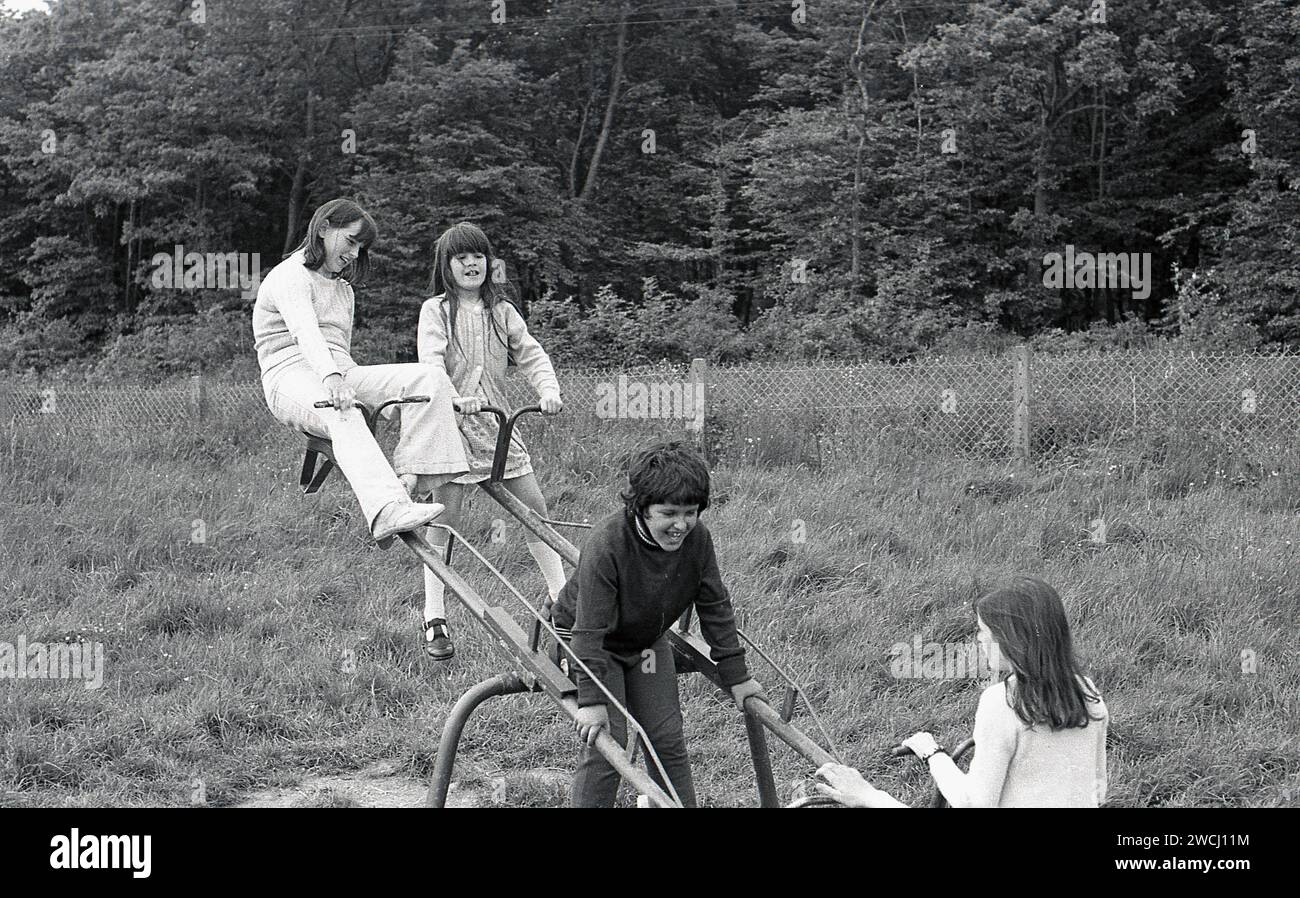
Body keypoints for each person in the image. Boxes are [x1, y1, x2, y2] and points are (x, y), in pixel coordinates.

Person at [550, 442, 766, 807]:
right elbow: (588, 630)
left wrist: (737, 675)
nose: (681, 525)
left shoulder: (697, 540)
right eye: (669, 513)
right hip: (589, 642)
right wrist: (591, 700)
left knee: (666, 737)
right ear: (641, 507)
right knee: (608, 742)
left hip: (645, 644)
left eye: (690, 512)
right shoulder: (608, 544)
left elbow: (714, 604)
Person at [253, 198, 470, 549]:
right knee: (343, 411)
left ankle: (411, 478)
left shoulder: (343, 289)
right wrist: (332, 381)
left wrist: (348, 381)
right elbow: (304, 333)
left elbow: (341, 353)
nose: (354, 254)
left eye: (361, 247)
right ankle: (386, 510)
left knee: (430, 380)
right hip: (289, 375)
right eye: (351, 241)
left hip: (337, 372)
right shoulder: (289, 276)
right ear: (324, 228)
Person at [411, 222, 566, 661]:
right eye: (461, 257)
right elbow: (430, 363)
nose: (471, 264)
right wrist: (456, 399)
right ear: (447, 265)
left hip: (496, 425)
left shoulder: (503, 312)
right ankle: (435, 616)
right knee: (446, 519)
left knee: (535, 509)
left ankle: (560, 598)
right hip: (451, 426)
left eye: (478, 256)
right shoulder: (436, 311)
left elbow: (532, 354)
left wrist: (548, 391)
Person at [817, 576, 1108, 808]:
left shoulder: (1003, 703)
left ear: (1010, 639)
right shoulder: (1087, 693)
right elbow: (1097, 790)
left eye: (984, 630)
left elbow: (973, 804)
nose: (979, 638)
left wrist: (873, 794)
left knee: (869, 798)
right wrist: (935, 755)